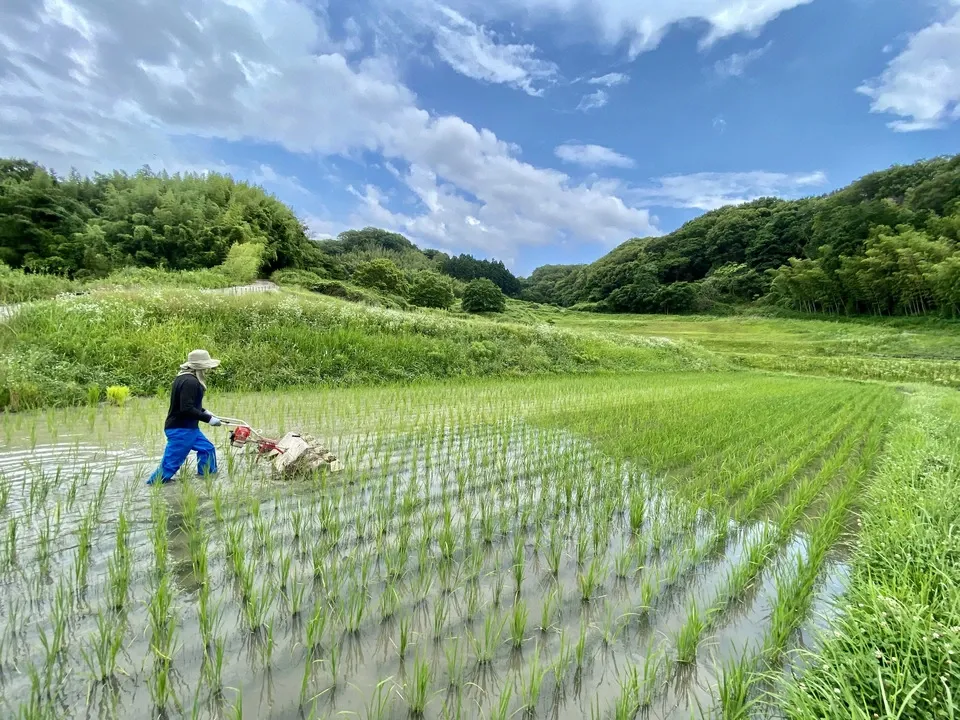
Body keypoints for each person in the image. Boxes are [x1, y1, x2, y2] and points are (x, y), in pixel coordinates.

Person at [147, 349, 224, 485]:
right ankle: (154, 486)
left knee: (207, 449)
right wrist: (209, 419)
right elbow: (186, 408)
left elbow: (187, 403)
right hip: (181, 430)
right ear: (200, 367)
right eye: (206, 367)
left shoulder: (183, 378)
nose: (207, 371)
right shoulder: (190, 382)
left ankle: (206, 480)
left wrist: (205, 411)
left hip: (189, 428)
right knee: (170, 465)